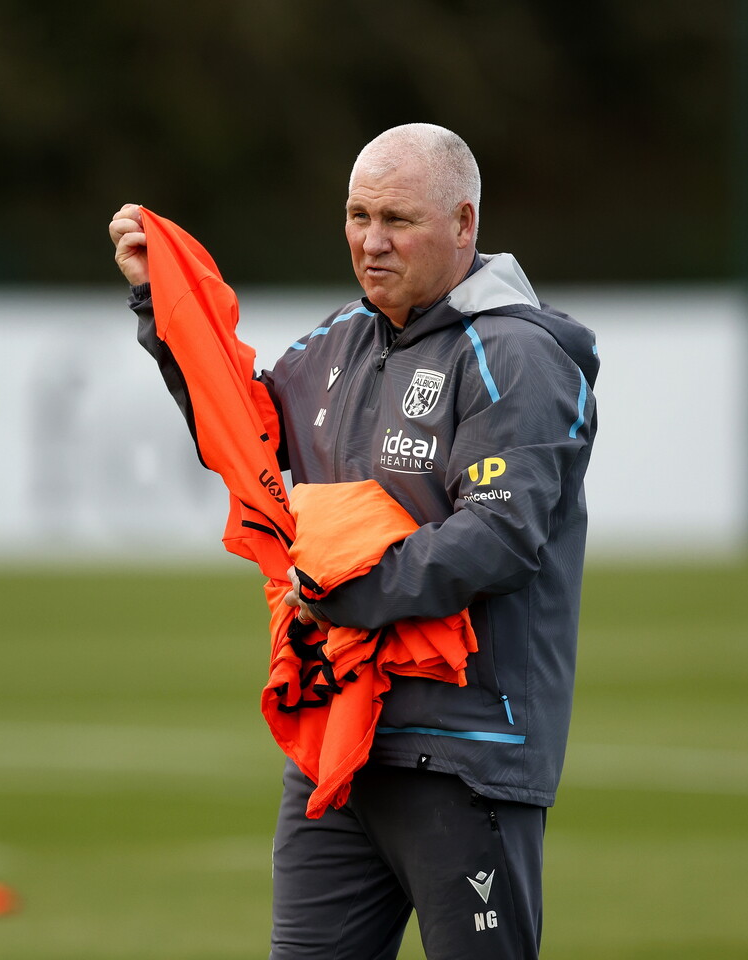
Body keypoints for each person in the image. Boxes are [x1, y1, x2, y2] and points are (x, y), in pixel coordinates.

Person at [109, 123, 598, 960]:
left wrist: (345, 589)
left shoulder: (515, 357)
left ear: (465, 225)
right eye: (358, 215)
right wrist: (167, 311)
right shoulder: (342, 337)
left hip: (468, 754)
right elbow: (248, 435)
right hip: (338, 746)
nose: (372, 242)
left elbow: (501, 536)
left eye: (398, 219)